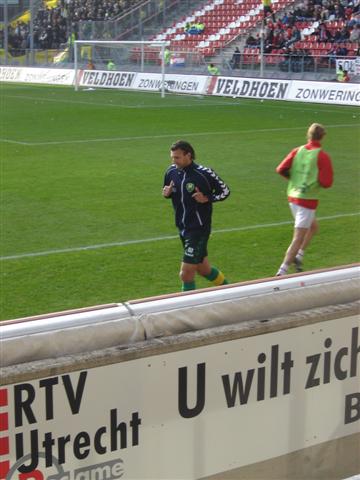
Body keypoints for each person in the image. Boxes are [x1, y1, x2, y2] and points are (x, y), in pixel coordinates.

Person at [163, 140, 230, 291]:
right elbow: (168, 190)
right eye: (172, 157)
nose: (174, 161)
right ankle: (231, 291)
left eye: (177, 157)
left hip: (198, 229)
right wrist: (167, 193)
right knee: (203, 269)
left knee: (186, 274)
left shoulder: (204, 173)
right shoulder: (171, 172)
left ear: (189, 155)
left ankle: (188, 310)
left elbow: (225, 192)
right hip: (182, 227)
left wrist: (207, 198)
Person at [275, 124, 333, 276]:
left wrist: (294, 180)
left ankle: (299, 256)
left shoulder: (297, 150)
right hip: (307, 200)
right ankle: (282, 270)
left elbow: (281, 168)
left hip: (293, 196)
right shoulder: (321, 155)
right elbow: (327, 182)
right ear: (322, 137)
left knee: (313, 227)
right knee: (298, 238)